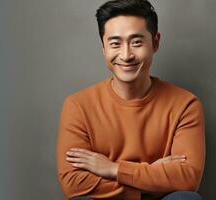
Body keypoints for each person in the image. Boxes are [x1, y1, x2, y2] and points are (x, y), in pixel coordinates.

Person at [55, 0, 205, 199]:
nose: (126, 55)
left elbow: (188, 178)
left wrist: (114, 169)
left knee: (186, 198)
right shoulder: (77, 105)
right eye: (115, 44)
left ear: (155, 43)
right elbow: (73, 183)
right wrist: (147, 181)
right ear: (103, 48)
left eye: (136, 42)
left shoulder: (185, 104)